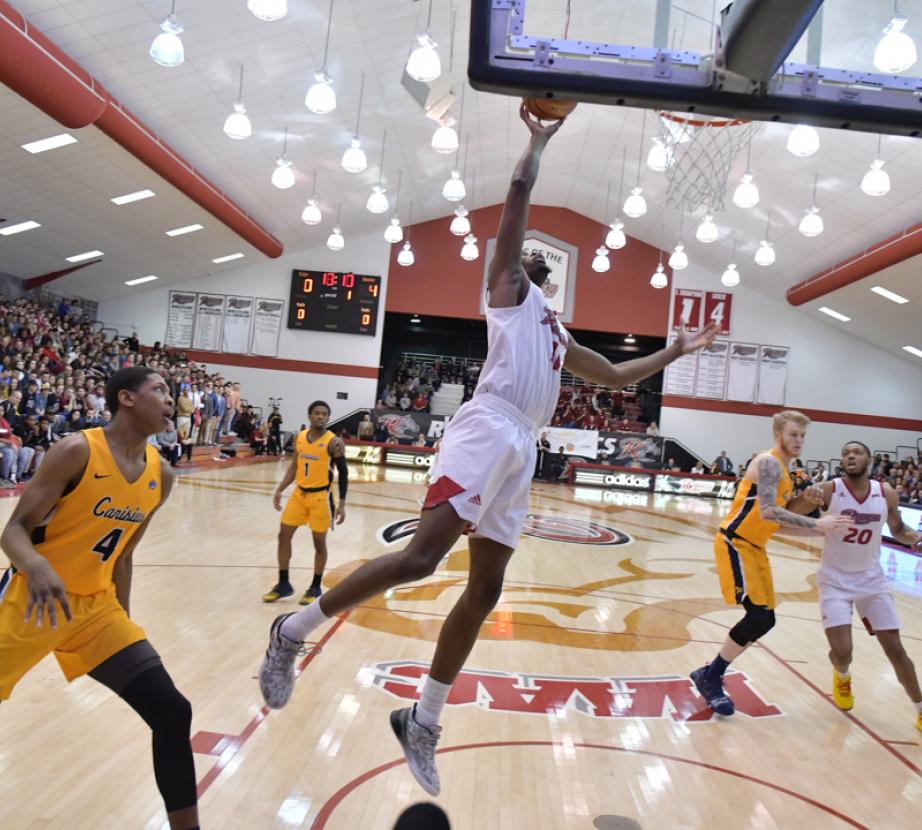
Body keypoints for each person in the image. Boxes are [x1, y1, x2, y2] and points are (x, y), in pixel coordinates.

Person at [256, 106, 719, 797]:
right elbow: (520, 199)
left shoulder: (558, 334)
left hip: (522, 447)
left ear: (551, 279)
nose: (528, 252)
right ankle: (293, 631)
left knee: (487, 588)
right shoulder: (507, 289)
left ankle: (424, 717)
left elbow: (620, 376)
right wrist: (536, 142)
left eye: (536, 255)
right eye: (523, 247)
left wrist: (674, 350)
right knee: (420, 560)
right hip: (486, 429)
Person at [0, 367, 199, 829]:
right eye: (161, 390)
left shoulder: (160, 475)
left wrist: (123, 626)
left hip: (96, 611)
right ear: (126, 399)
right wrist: (36, 565)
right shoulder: (76, 450)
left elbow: (124, 555)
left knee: (172, 711)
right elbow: (14, 530)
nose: (172, 400)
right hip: (31, 600)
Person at [690, 410, 853, 716]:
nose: (799, 440)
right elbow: (767, 512)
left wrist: (825, 533)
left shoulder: (788, 472)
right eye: (794, 434)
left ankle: (710, 674)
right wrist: (817, 524)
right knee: (757, 617)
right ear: (778, 435)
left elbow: (778, 525)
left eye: (803, 435)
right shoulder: (767, 463)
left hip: (756, 547)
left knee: (766, 620)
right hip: (735, 543)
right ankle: (711, 677)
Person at [812, 441, 922, 731]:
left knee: (895, 650)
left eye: (857, 452)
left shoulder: (885, 493)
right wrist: (805, 499)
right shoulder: (829, 490)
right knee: (843, 651)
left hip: (871, 579)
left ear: (869, 461)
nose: (850, 455)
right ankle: (842, 675)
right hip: (835, 580)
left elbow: (898, 530)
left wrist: (916, 539)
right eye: (846, 452)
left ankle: (921, 709)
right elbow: (793, 510)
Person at [262, 401, 348, 606]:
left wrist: (342, 503)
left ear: (328, 418)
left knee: (319, 543)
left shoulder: (333, 442)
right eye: (316, 413)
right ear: (309, 416)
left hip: (321, 498)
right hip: (299, 495)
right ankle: (283, 584)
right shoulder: (300, 437)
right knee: (283, 536)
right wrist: (280, 489)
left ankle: (315, 586)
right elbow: (294, 467)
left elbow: (343, 472)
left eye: (324, 414)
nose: (320, 417)